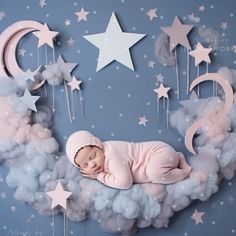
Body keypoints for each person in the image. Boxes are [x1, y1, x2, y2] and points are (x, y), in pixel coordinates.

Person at [66, 130, 191, 190]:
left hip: (160, 152)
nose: (92, 164)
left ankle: (184, 171)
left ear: (99, 147)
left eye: (92, 156)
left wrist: (99, 177)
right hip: (163, 156)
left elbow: (125, 183)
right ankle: (178, 157)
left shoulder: (111, 156)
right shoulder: (104, 156)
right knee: (153, 171)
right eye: (85, 165)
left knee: (155, 173)